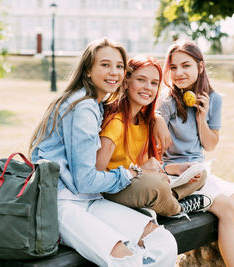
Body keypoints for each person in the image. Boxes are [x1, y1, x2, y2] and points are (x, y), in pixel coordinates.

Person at [28, 38, 177, 267]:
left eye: (119, 66)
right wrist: (132, 173)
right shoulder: (83, 107)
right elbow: (86, 180)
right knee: (128, 260)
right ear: (88, 70)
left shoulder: (95, 103)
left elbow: (134, 108)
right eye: (105, 65)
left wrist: (156, 117)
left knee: (163, 243)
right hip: (62, 202)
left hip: (89, 200)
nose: (114, 72)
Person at [158, 40, 234, 267]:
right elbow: (156, 153)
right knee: (229, 209)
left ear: (200, 67)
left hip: (201, 171)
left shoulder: (213, 99)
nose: (179, 73)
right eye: (173, 67)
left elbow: (211, 144)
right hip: (178, 177)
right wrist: (172, 169)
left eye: (186, 65)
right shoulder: (165, 103)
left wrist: (201, 118)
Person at [96, 55, 209, 218]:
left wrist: (174, 169)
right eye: (141, 80)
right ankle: (177, 208)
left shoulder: (143, 120)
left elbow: (143, 166)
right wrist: (142, 171)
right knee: (156, 185)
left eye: (154, 83)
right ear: (126, 81)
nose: (148, 87)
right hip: (112, 189)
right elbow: (97, 177)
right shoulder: (115, 123)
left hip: (137, 181)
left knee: (198, 173)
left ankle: (167, 201)